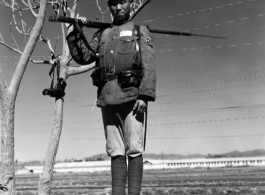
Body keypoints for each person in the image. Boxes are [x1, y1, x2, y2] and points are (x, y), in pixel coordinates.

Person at [66, 0, 156, 194]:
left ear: (131, 3)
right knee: (115, 150)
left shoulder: (139, 32)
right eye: (113, 3)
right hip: (107, 97)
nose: (118, 7)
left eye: (123, 2)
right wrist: (76, 31)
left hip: (133, 98)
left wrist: (144, 95)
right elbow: (84, 57)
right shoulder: (102, 34)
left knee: (134, 148)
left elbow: (149, 65)